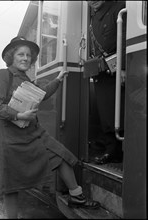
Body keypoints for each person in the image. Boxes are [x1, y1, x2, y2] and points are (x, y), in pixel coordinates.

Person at [0, 36, 100, 219]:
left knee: (61, 154)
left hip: (31, 133)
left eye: (28, 55)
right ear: (11, 56)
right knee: (11, 184)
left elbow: (40, 95)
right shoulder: (2, 75)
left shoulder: (24, 77)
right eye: (20, 54)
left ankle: (76, 196)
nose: (25, 58)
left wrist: (57, 80)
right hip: (9, 138)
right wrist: (18, 115)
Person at [87, 1, 126, 164]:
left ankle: (118, 149)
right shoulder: (92, 17)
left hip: (118, 70)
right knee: (105, 111)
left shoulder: (119, 6)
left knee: (119, 110)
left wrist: (124, 67)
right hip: (101, 71)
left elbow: (126, 38)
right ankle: (111, 147)